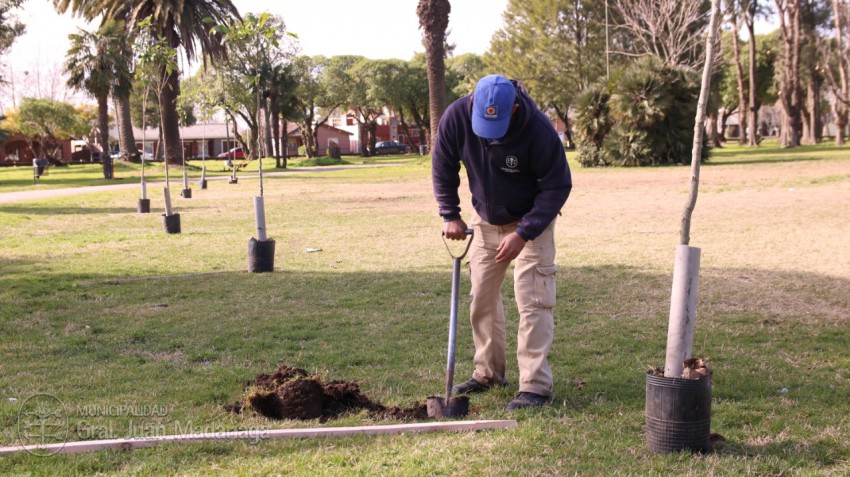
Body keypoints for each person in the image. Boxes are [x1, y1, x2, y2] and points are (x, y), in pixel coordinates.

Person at [431, 74, 572, 410]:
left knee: (534, 300)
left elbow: (557, 186)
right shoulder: (456, 117)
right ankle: (488, 373)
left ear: (515, 108)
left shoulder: (538, 129)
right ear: (473, 104)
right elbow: (443, 164)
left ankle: (534, 386)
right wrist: (450, 213)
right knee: (481, 298)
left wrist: (523, 233)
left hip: (531, 223)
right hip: (485, 223)